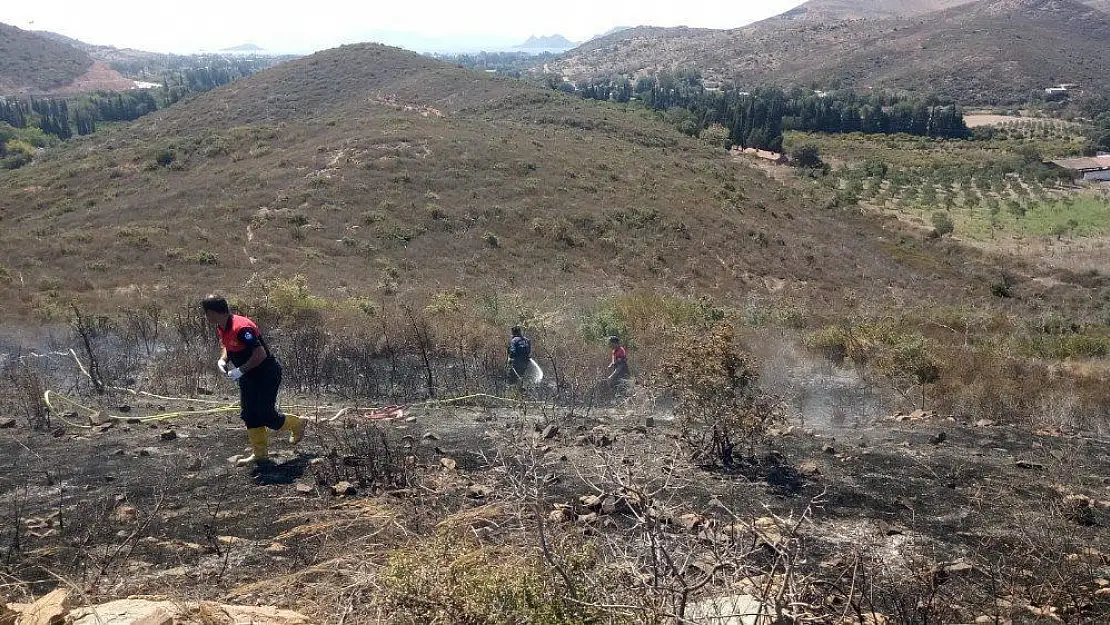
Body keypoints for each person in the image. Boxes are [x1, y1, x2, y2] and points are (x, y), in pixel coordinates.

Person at [202, 295, 304, 467]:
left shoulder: (241, 328)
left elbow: (260, 354)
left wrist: (240, 370)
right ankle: (260, 455)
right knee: (249, 414)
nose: (206, 317)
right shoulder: (222, 326)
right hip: (249, 376)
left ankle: (297, 423)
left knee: (266, 415)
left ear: (212, 312)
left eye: (206, 313)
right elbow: (227, 345)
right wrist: (223, 360)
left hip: (266, 374)